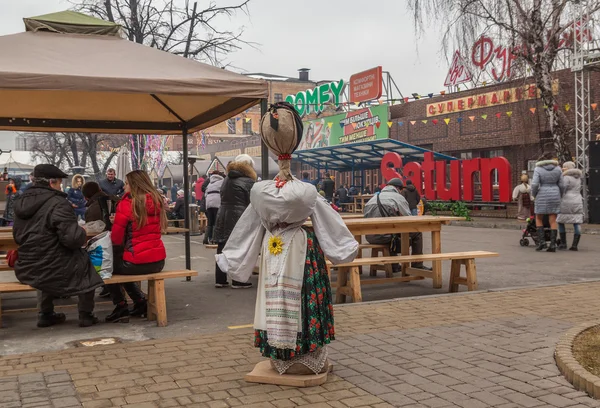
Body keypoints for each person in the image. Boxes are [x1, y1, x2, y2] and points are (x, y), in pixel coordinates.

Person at [216, 102, 358, 376]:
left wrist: (234, 259)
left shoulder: (260, 191)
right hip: (300, 247)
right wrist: (342, 249)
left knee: (276, 295)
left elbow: (249, 226)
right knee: (302, 296)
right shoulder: (304, 191)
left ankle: (285, 355)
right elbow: (328, 221)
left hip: (274, 246)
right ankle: (303, 352)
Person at [13, 164, 103, 327]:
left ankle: (45, 313)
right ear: (51, 183)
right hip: (54, 262)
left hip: (27, 264)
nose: (61, 186)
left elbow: (17, 235)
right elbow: (72, 239)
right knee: (86, 266)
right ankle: (86, 314)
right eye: (60, 182)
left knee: (47, 266)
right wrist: (82, 231)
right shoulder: (58, 203)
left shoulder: (21, 201)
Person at [105, 170, 167, 323]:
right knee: (122, 265)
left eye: (126, 183)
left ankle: (121, 305)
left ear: (134, 185)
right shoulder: (157, 201)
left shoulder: (126, 205)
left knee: (106, 268)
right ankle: (139, 302)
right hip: (158, 262)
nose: (124, 186)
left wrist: (116, 224)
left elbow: (116, 240)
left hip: (135, 262)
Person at [364, 178, 431, 271]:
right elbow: (409, 218)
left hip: (371, 237)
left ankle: (394, 265)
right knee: (416, 233)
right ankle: (417, 264)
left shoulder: (372, 199)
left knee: (391, 232)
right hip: (387, 237)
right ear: (398, 188)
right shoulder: (398, 198)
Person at [213, 154, 257, 288]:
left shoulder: (227, 179)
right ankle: (238, 280)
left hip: (223, 214)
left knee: (222, 245)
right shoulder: (248, 181)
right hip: (239, 216)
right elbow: (253, 201)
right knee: (239, 246)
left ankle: (220, 279)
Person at [82, 181, 115, 299]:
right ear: (99, 188)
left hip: (105, 252)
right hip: (121, 247)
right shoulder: (115, 199)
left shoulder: (91, 209)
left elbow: (92, 237)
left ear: (86, 197)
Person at [531, 155, 564, 252]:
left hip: (542, 193)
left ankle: (542, 242)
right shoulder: (558, 169)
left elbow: (535, 184)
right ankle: (553, 244)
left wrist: (534, 194)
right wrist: (560, 194)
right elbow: (562, 184)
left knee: (538, 217)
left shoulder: (538, 169)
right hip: (555, 193)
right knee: (553, 219)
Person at [557, 162, 583, 251]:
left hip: (566, 200)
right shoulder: (579, 178)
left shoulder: (566, 177)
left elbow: (562, 188)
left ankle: (563, 243)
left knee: (560, 221)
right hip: (577, 199)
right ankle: (575, 245)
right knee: (577, 221)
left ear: (566, 168)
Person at [203, 171, 225, 245]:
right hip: (217, 202)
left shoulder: (210, 183)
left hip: (209, 202)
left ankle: (206, 238)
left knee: (210, 222)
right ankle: (214, 239)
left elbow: (205, 193)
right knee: (216, 221)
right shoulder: (222, 181)